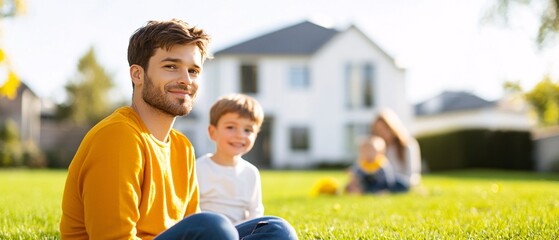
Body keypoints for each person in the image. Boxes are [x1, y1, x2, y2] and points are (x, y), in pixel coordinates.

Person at [60, 19, 297, 240]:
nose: (186, 79)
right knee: (214, 228)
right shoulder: (118, 136)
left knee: (276, 230)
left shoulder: (182, 147)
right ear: (137, 74)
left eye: (193, 71)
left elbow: (189, 224)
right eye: (171, 66)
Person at [196, 93, 265, 225]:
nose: (240, 135)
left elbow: (255, 212)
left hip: (240, 232)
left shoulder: (251, 172)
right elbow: (189, 209)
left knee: (279, 226)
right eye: (230, 127)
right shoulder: (199, 168)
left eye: (248, 130)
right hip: (208, 231)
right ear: (212, 132)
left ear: (255, 135)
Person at [371, 108, 421, 193]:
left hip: (402, 182)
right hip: (384, 182)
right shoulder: (378, 148)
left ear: (393, 127)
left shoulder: (407, 144)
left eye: (385, 129)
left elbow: (412, 174)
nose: (382, 133)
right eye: (378, 131)